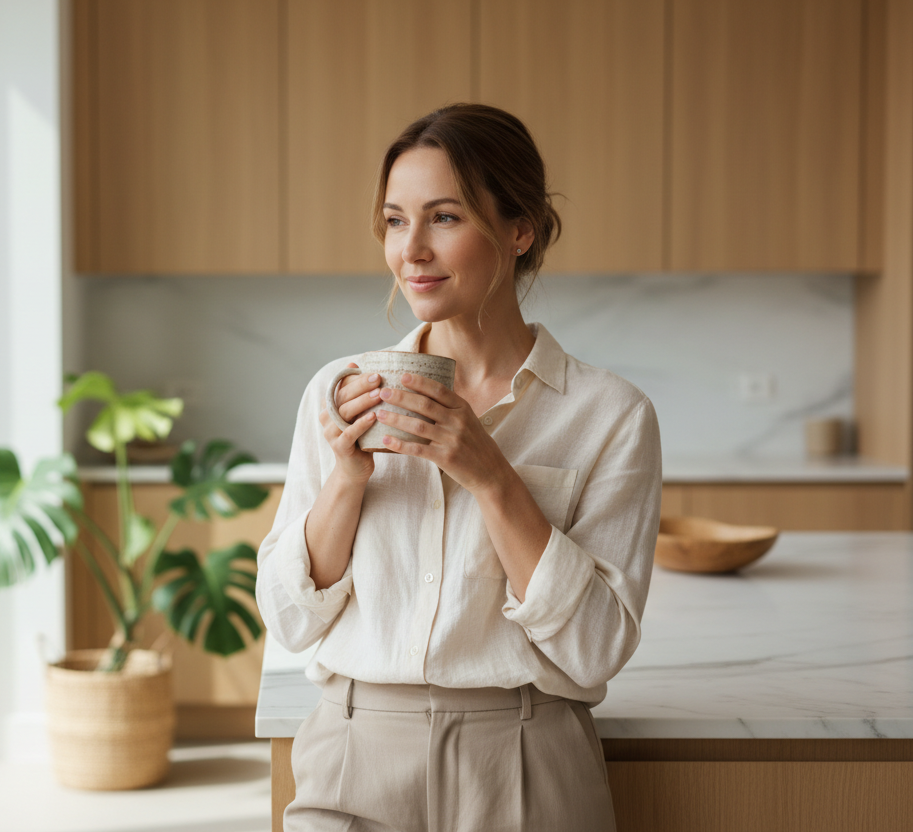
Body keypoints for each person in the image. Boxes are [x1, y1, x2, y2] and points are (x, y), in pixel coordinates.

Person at [255, 103, 663, 832]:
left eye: (444, 217)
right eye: (393, 220)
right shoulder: (337, 392)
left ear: (520, 228)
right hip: (354, 752)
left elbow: (596, 649)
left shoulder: (611, 416)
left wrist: (491, 475)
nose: (411, 249)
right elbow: (289, 620)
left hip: (527, 760)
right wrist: (348, 477)